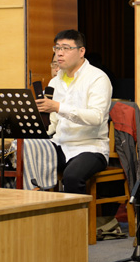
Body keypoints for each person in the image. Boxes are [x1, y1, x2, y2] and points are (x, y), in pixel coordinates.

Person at [36, 29, 112, 194]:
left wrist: (58, 107)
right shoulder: (55, 82)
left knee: (72, 176)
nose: (59, 53)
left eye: (66, 48)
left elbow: (97, 117)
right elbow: (52, 123)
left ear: (81, 51)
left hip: (90, 147)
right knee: (25, 158)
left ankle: (74, 212)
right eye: (57, 48)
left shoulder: (98, 78)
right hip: (60, 144)